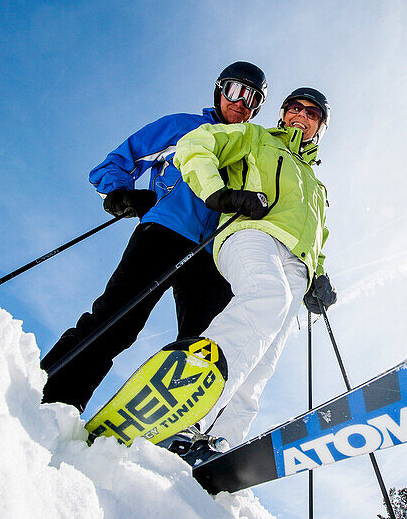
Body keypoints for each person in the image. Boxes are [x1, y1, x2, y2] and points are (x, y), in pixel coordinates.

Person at [41, 62, 268, 413]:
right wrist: (122, 195)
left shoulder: (251, 151)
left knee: (205, 348)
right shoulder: (183, 127)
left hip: (214, 257)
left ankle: (176, 435)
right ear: (219, 90)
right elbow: (117, 162)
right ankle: (53, 399)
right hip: (164, 234)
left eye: (252, 98)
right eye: (235, 91)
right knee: (118, 321)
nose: (241, 103)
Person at [171, 86, 337, 465]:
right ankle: (187, 404)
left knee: (266, 356)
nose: (302, 115)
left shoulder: (317, 184)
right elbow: (195, 144)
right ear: (282, 114)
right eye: (295, 107)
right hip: (251, 234)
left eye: (312, 114)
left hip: (298, 264)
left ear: (320, 127)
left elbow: (318, 236)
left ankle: (219, 445)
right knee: (266, 296)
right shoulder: (256, 137)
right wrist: (218, 193)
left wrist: (319, 275)